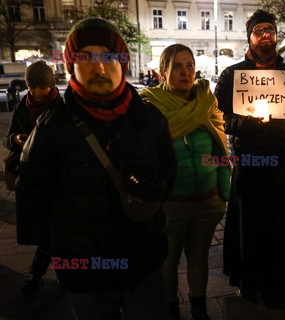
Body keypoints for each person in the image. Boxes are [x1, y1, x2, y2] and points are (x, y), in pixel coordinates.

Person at [16, 18, 177, 319]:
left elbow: (167, 174)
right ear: (70, 66)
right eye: (85, 57)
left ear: (123, 63)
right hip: (84, 275)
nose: (99, 67)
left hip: (144, 265)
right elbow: (34, 196)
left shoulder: (150, 119)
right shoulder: (52, 127)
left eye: (108, 56)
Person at [214, 9, 285, 305]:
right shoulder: (232, 75)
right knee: (248, 227)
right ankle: (248, 279)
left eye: (270, 30)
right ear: (250, 37)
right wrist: (247, 121)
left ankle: (277, 282)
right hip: (249, 162)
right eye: (259, 30)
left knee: (280, 228)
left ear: (276, 36)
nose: (266, 35)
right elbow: (220, 118)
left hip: (281, 160)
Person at [140, 44, 230, 320]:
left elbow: (220, 147)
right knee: (167, 261)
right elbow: (145, 159)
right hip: (171, 205)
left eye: (189, 65)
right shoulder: (150, 108)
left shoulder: (206, 101)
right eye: (177, 66)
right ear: (163, 71)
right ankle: (170, 309)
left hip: (207, 200)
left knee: (199, 257)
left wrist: (222, 191)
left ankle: (199, 307)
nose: (185, 72)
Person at [3, 60, 64, 296]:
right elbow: (7, 139)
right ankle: (57, 275)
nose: (37, 92)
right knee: (45, 230)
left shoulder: (62, 108)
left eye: (42, 87)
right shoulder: (22, 106)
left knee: (51, 231)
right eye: (33, 87)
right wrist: (17, 138)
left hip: (56, 178)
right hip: (30, 179)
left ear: (51, 86)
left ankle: (36, 275)